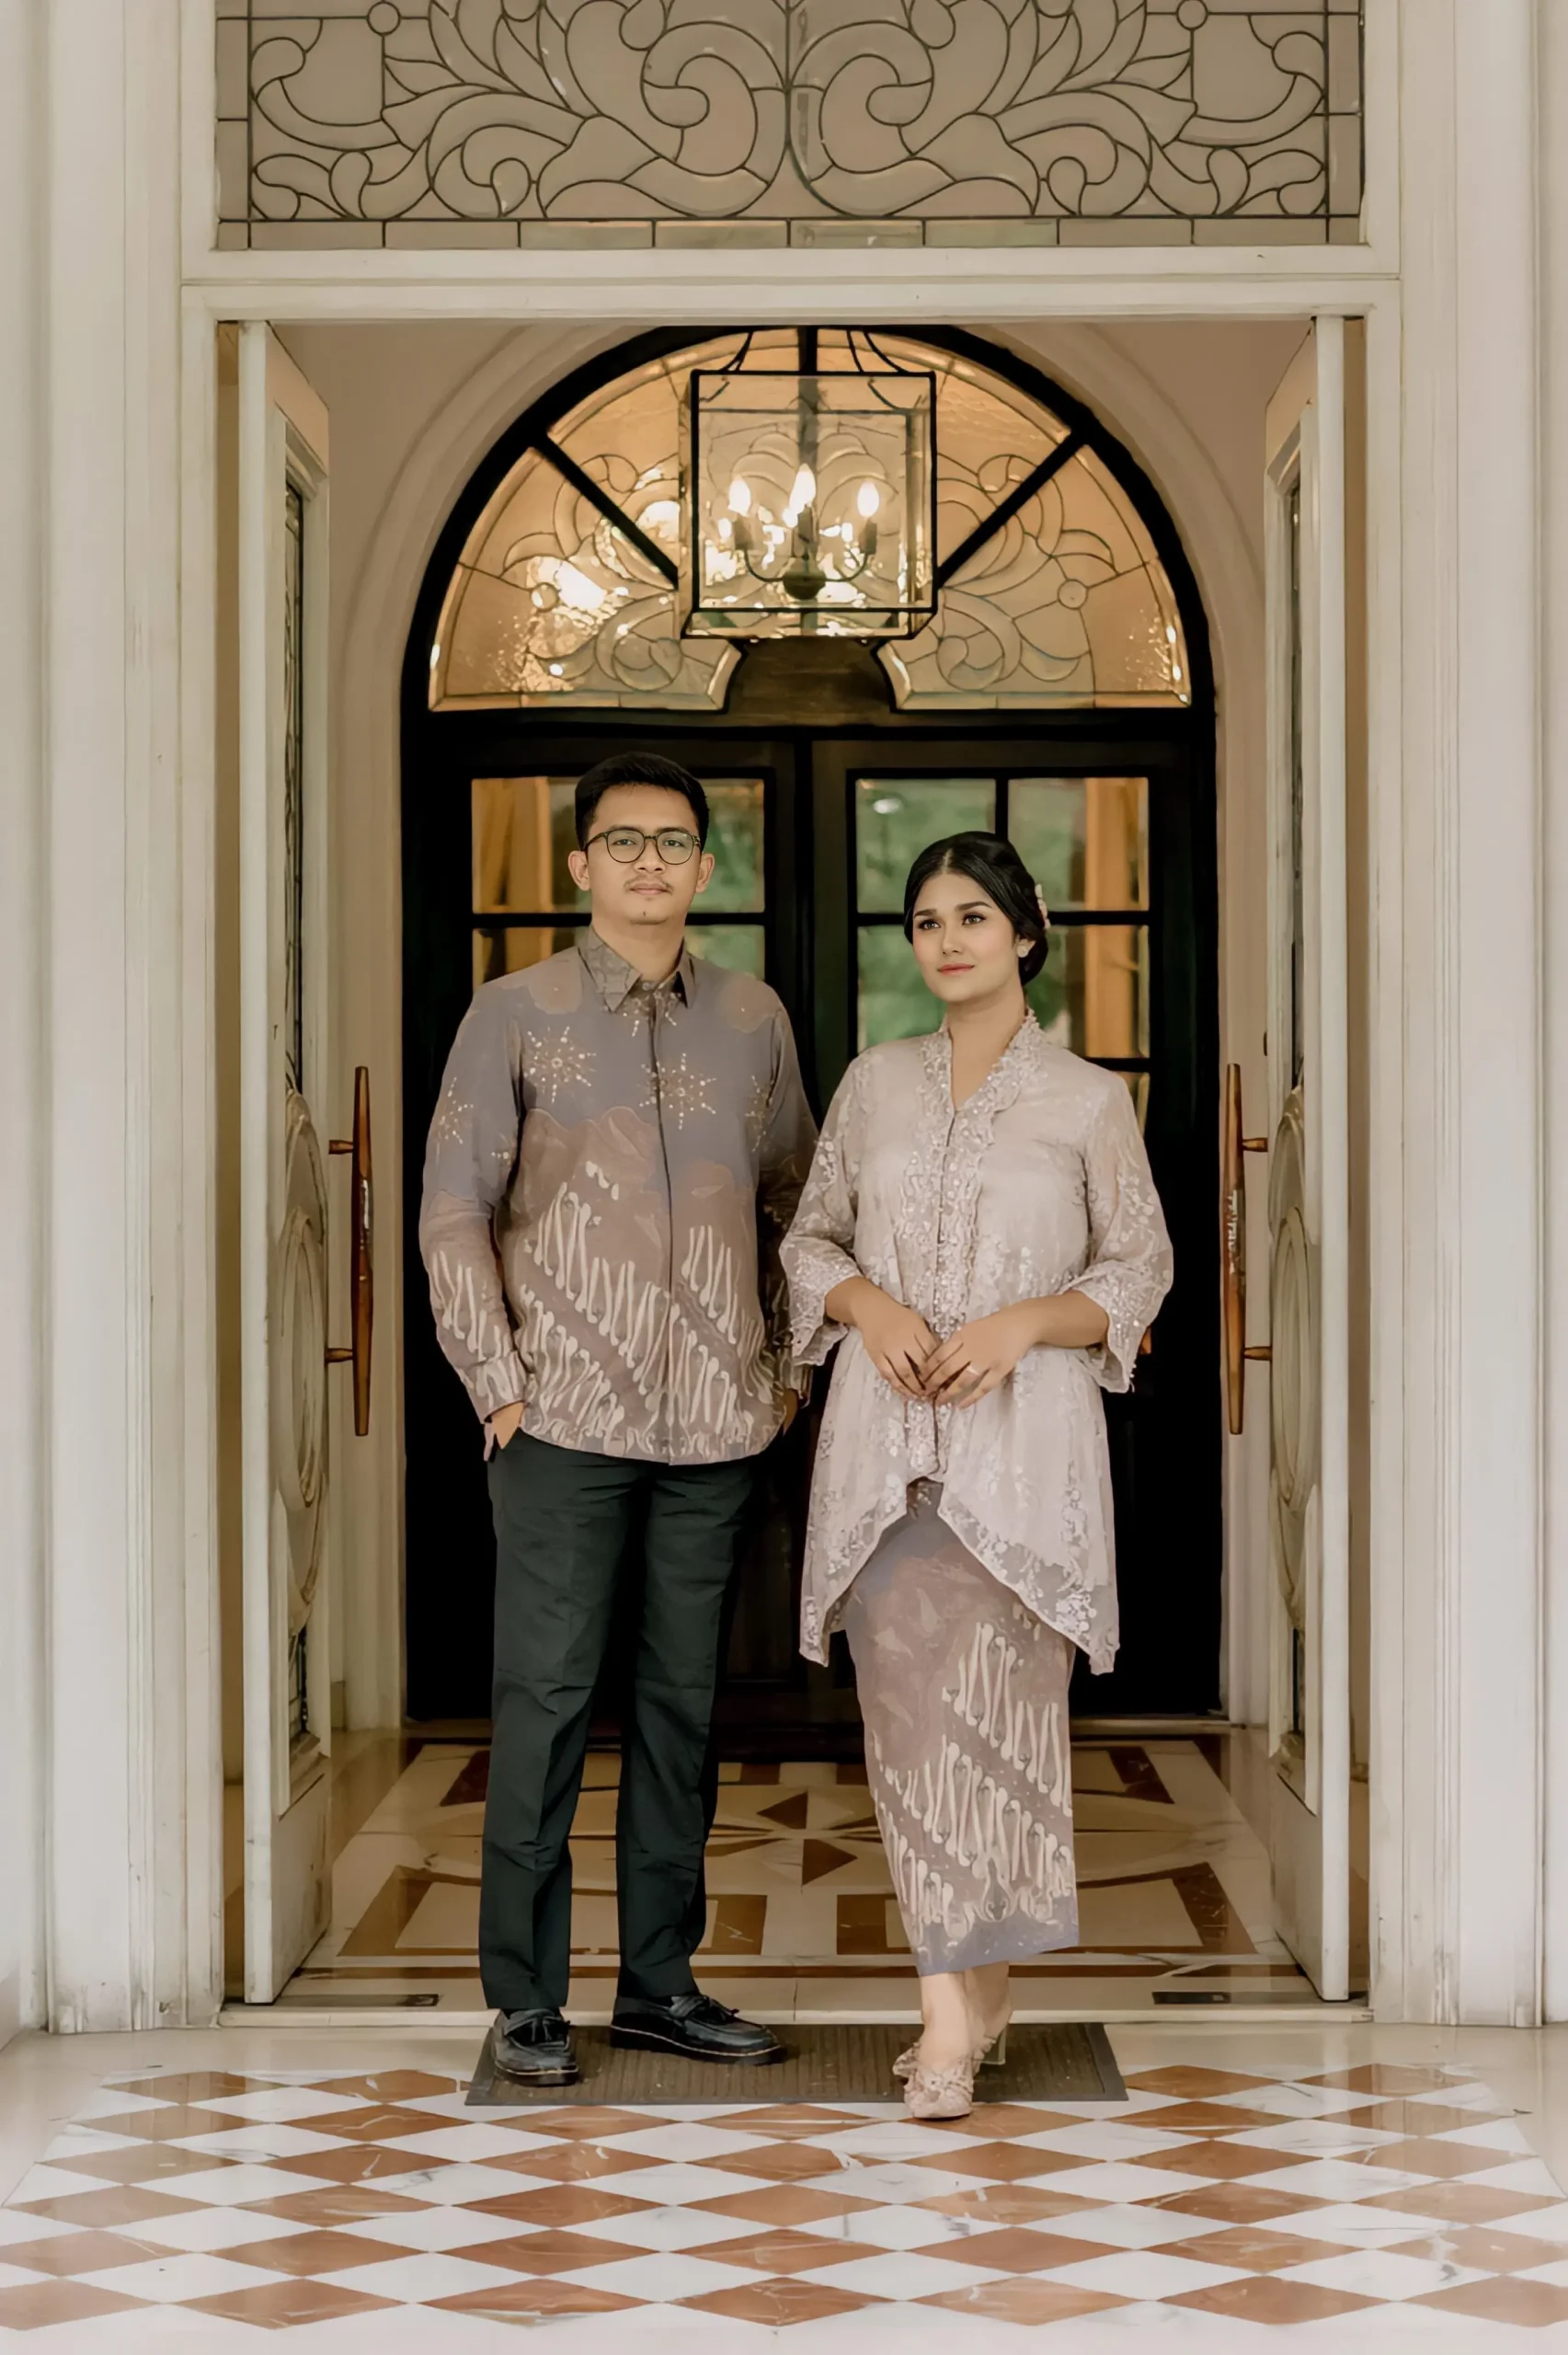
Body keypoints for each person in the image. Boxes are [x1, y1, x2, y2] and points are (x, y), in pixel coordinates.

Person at [420, 752, 816, 2085]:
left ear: (705, 864)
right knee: (541, 1704)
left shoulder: (753, 1018)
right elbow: (453, 1209)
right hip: (560, 1422)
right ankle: (526, 1997)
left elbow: (796, 1202)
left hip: (716, 1426)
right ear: (582, 863)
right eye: (625, 841)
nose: (652, 862)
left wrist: (785, 1370)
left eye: (676, 841)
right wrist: (497, 1381)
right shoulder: (512, 1013)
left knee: (679, 1713)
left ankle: (661, 1984)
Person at [783, 832, 1172, 2119]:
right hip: (888, 1463)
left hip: (1025, 1465)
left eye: (972, 916)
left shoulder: (1088, 1101)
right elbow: (810, 1240)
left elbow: (1139, 1269)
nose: (947, 940)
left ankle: (984, 1992)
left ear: (1026, 930)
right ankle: (947, 2013)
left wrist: (1023, 1324)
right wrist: (867, 1303)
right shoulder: (873, 1084)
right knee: (909, 1735)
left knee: (1004, 1739)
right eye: (927, 921)